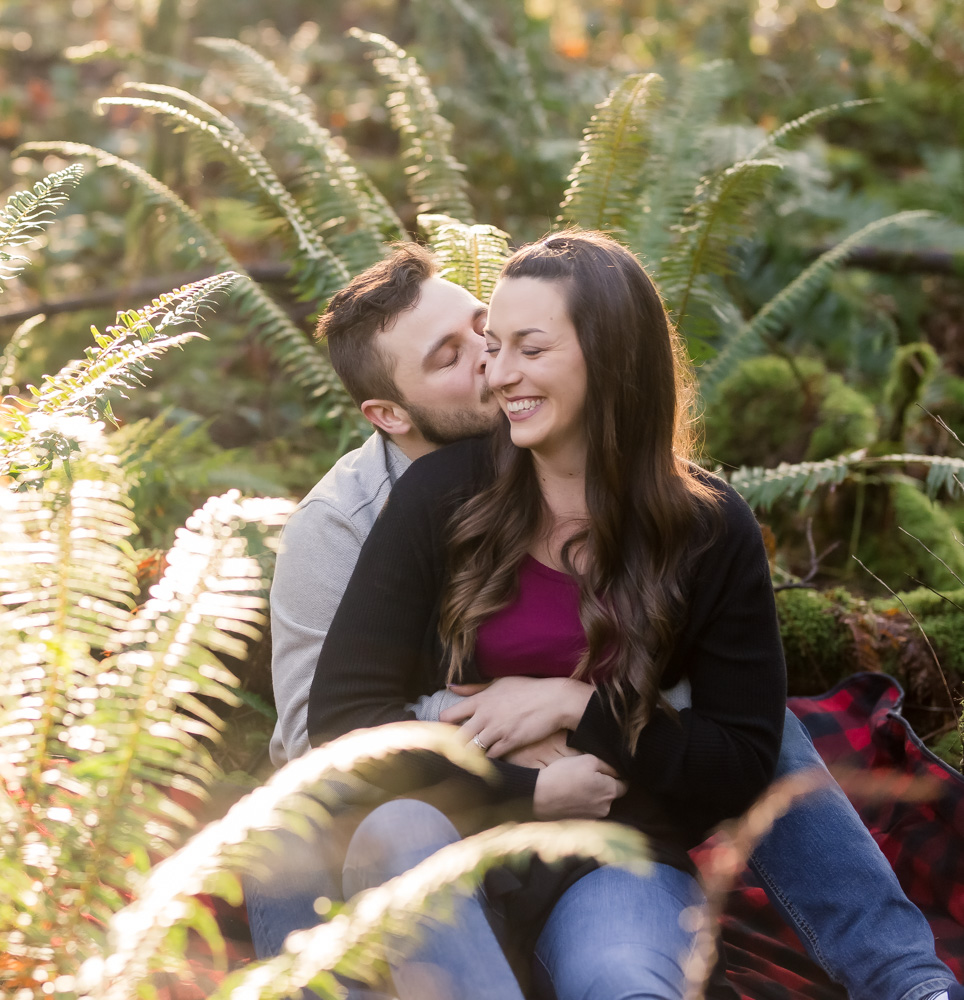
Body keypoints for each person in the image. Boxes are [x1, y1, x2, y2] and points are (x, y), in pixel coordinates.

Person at [251, 238, 961, 1000]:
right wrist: (523, 787)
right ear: (387, 413)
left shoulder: (702, 524)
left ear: (608, 356)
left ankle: (907, 980)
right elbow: (327, 740)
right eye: (460, 356)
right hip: (416, 818)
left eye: (496, 337)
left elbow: (733, 750)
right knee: (349, 836)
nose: (492, 371)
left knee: (749, 764)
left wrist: (573, 706)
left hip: (614, 827)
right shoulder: (370, 516)